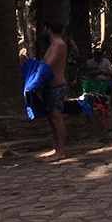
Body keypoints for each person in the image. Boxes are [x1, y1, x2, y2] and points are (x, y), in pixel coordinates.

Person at [42, 22, 69, 160]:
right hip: (49, 85)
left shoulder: (59, 45)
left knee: (57, 117)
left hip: (57, 85)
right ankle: (55, 147)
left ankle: (61, 151)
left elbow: (48, 64)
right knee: (51, 117)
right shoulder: (52, 45)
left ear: (49, 30)